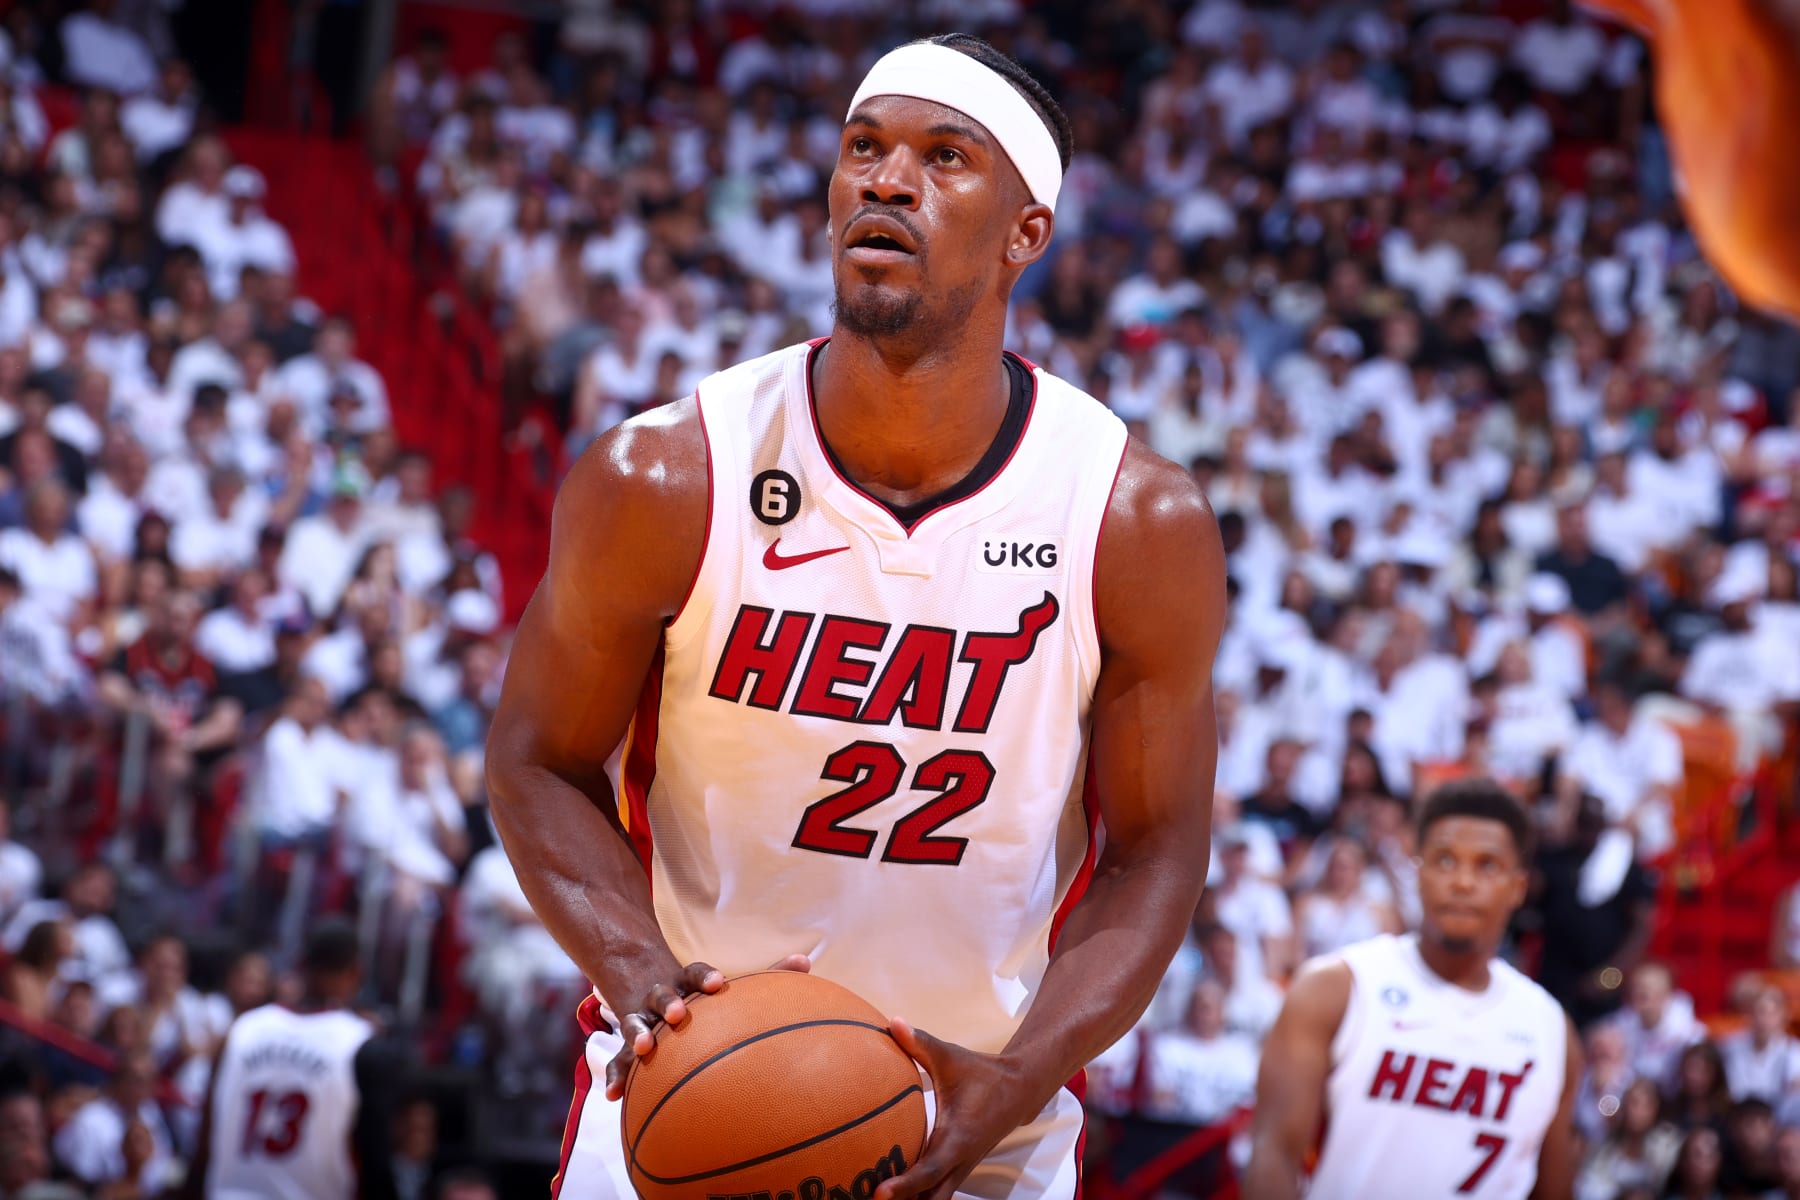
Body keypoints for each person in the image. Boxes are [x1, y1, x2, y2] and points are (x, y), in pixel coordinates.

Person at [486, 33, 1224, 1200]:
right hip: (698, 1099)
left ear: (1026, 233)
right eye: (863, 149)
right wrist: (644, 981)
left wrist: (1024, 1072)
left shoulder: (1132, 520)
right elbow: (536, 761)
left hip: (989, 1126)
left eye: (944, 158)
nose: (886, 181)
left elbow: (1157, 848)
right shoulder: (669, 478)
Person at [1246, 778, 1581, 1199]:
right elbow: (1274, 1153)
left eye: (1487, 865)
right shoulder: (1335, 988)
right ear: (1417, 874)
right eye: (1445, 860)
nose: (1462, 881)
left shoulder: (1551, 1030)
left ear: (1518, 887)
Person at [188, 921, 405, 1200]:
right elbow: (375, 1164)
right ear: (357, 973)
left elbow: (204, 1144)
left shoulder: (242, 1030)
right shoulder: (361, 1045)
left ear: (301, 964)